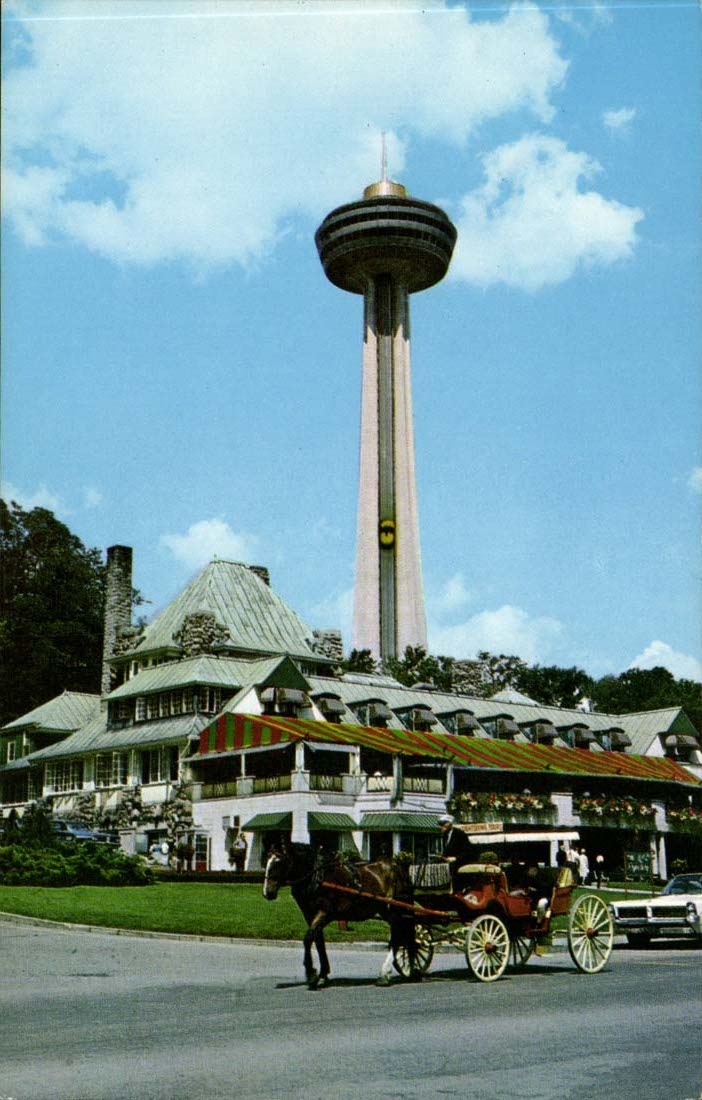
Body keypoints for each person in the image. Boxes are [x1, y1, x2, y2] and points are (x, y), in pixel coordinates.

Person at [438, 814, 473, 888]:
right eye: (439, 824)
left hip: (460, 864)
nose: (440, 827)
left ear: (449, 823)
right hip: (448, 865)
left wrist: (455, 858)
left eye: (442, 824)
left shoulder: (459, 834)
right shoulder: (445, 836)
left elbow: (468, 851)